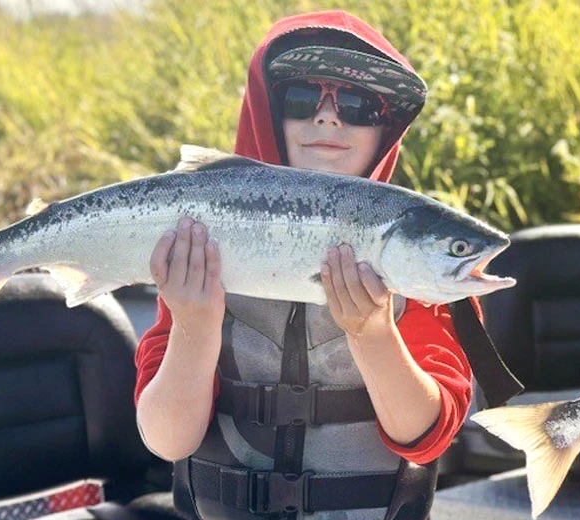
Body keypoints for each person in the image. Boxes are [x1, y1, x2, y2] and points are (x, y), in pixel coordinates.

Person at [133, 11, 471, 519]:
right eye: (301, 100)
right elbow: (166, 439)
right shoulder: (200, 250)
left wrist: (373, 334)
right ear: (267, 113)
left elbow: (426, 437)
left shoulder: (420, 256)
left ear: (386, 131)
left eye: (357, 105)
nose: (328, 118)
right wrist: (195, 326)